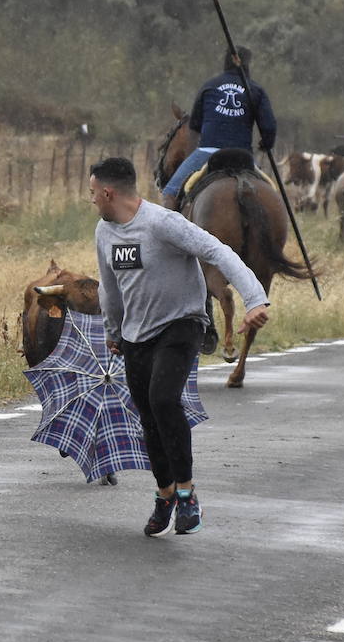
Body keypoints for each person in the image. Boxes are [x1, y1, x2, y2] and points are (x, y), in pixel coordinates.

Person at [91, 157, 269, 537]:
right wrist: (113, 330)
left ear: (108, 193)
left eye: (93, 193)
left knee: (164, 399)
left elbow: (218, 251)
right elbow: (108, 287)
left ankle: (188, 495)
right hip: (135, 334)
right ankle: (165, 494)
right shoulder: (104, 233)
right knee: (148, 418)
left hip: (181, 324)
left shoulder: (162, 223)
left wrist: (255, 299)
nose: (91, 201)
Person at [160, 47, 277, 209]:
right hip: (242, 155)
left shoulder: (209, 86)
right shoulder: (256, 90)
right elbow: (269, 127)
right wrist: (266, 144)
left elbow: (194, 125)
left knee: (171, 191)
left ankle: (165, 233)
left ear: (226, 62)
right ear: (247, 64)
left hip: (208, 152)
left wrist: (193, 154)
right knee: (271, 194)